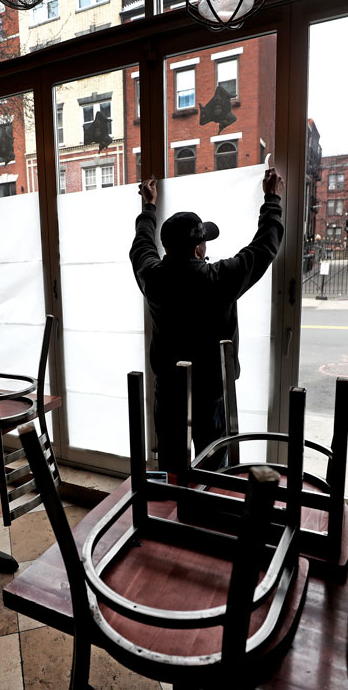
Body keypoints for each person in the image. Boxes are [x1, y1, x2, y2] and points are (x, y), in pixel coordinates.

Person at [130, 168, 285, 470]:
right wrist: (272, 199)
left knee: (171, 459)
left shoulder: (152, 275)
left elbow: (142, 243)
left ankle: (174, 511)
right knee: (212, 459)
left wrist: (148, 207)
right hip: (211, 385)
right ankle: (206, 508)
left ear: (168, 248)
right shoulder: (218, 279)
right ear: (199, 247)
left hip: (169, 383)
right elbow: (265, 246)